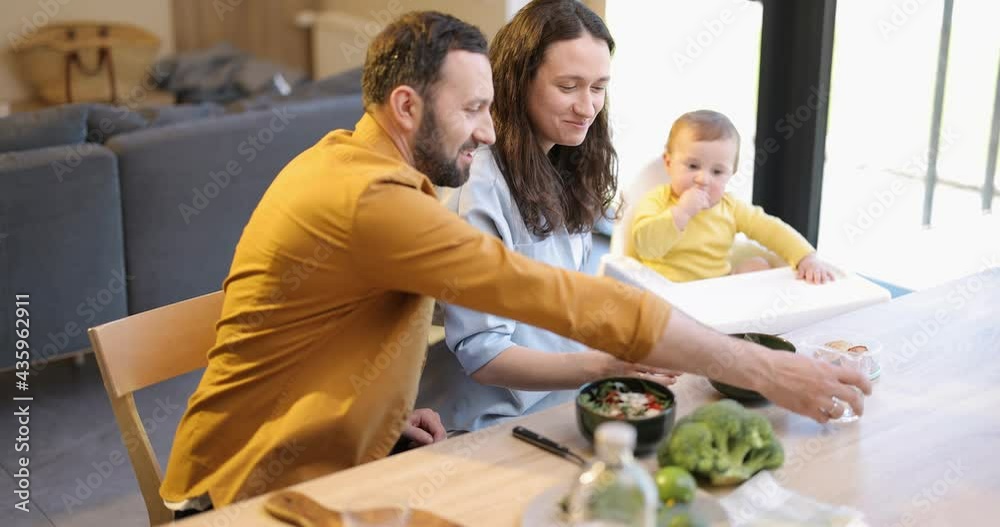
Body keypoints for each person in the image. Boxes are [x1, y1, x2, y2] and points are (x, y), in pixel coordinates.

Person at [159, 12, 871, 515]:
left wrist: (384, 414)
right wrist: (762, 368)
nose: (489, 129)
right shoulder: (376, 202)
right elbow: (550, 296)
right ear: (407, 106)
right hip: (238, 494)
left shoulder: (350, 162)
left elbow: (314, 331)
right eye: (473, 108)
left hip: (338, 453)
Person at [418, 0, 678, 433]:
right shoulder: (477, 185)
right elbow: (486, 354)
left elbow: (566, 299)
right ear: (518, 82)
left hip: (559, 398)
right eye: (568, 86)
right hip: (489, 419)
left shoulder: (564, 160)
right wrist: (604, 366)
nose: (587, 107)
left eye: (598, 87)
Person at [632, 110, 838, 284]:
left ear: (732, 173)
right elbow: (645, 247)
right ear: (668, 163)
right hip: (666, 292)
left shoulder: (730, 207)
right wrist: (681, 213)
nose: (703, 179)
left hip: (716, 289)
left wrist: (806, 257)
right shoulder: (658, 200)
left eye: (717, 172)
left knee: (758, 266)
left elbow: (771, 229)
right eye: (693, 166)